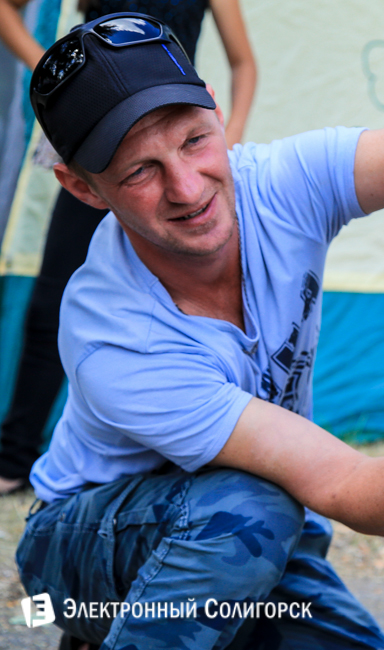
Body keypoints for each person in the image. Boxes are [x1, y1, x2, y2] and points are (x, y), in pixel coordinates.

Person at [15, 12, 384, 649]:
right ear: (82, 188)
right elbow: (350, 488)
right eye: (139, 172)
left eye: (195, 140)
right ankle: (105, 627)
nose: (187, 188)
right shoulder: (115, 337)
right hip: (82, 552)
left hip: (251, 544)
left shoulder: (278, 185)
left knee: (259, 528)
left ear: (216, 109)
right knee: (248, 514)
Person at [0, 0, 257, 494]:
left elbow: (243, 62)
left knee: (201, 297)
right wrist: (53, 79)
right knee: (53, 296)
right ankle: (14, 456)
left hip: (172, 139)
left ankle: (197, 444)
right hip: (105, 148)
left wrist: (224, 138)